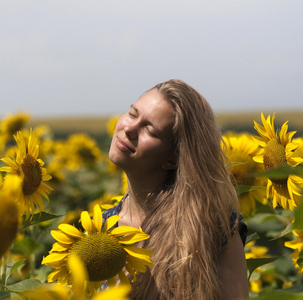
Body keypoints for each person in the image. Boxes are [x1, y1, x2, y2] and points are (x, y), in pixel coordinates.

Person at [104, 79, 249, 299]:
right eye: (133, 114)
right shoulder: (103, 227)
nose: (130, 129)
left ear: (173, 159)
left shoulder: (212, 228)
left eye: (150, 130)